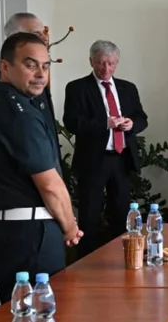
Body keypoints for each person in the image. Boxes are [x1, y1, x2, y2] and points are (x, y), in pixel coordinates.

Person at [0, 32, 82, 301]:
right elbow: (50, 185)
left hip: (6, 230)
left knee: (18, 317)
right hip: (31, 235)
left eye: (45, 66)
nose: (40, 74)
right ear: (5, 67)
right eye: (30, 65)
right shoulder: (19, 114)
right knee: (42, 318)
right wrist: (70, 227)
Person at [63, 40, 148, 247]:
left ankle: (123, 256)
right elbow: (72, 122)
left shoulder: (128, 88)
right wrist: (105, 124)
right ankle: (87, 260)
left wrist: (131, 124)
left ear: (117, 63)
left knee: (121, 212)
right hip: (93, 160)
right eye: (101, 63)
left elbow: (142, 118)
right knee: (89, 213)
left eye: (111, 63)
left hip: (121, 159)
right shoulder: (77, 88)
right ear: (91, 61)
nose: (106, 68)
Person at [1, 12, 57, 120]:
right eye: (36, 34)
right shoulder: (12, 85)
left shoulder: (37, 81)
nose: (45, 39)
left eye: (45, 67)